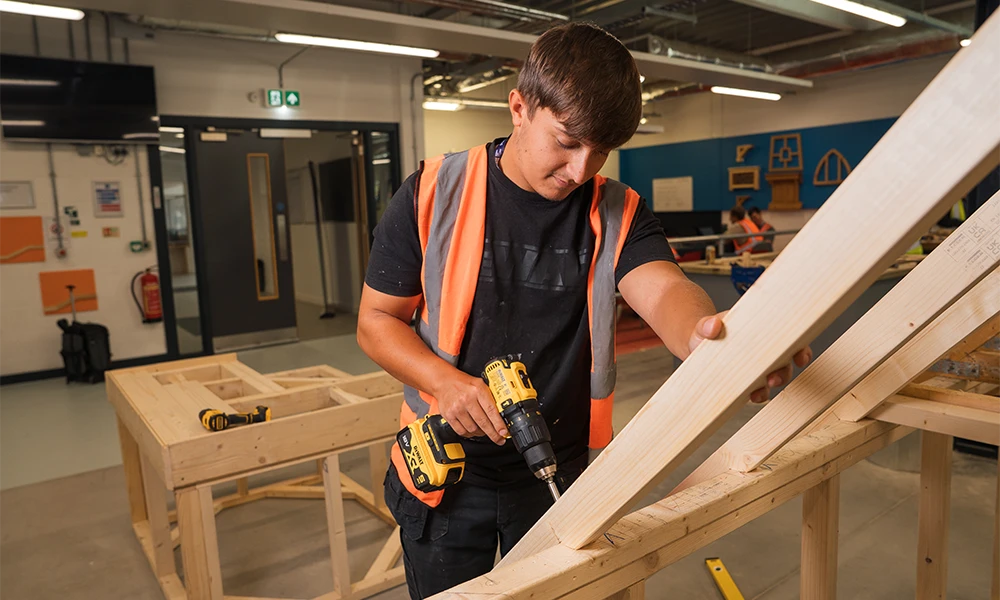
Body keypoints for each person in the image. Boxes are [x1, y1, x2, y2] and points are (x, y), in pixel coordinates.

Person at [356, 23, 811, 600]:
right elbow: (376, 321)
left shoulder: (619, 211)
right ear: (519, 107)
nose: (581, 170)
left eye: (602, 151)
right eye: (567, 141)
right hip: (446, 472)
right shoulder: (432, 192)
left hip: (564, 472)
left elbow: (668, 293)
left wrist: (712, 341)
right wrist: (444, 383)